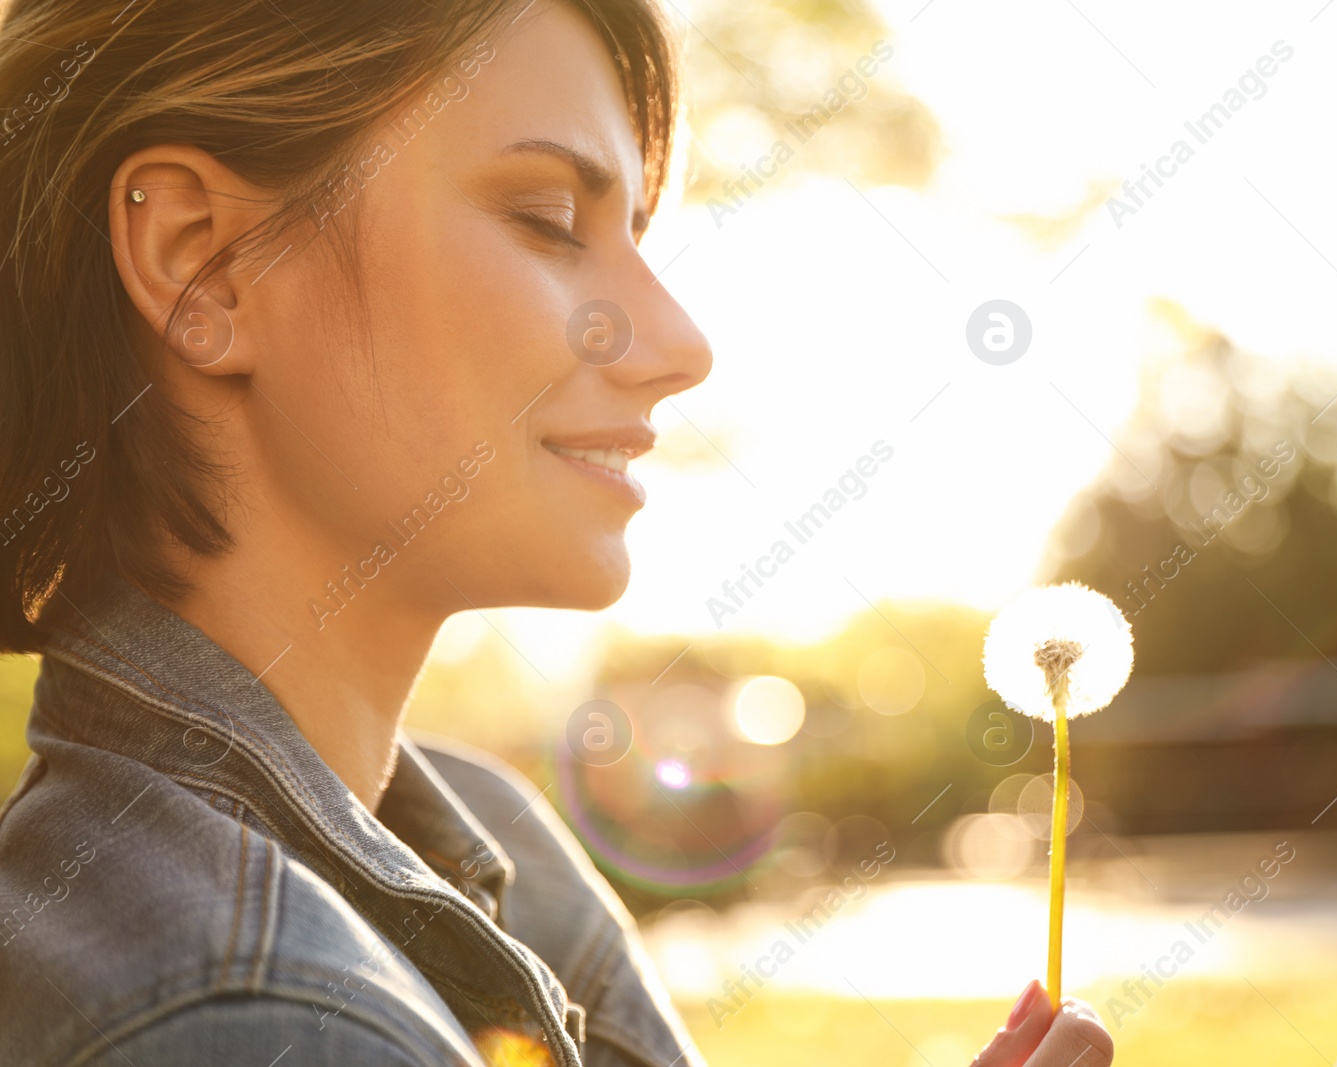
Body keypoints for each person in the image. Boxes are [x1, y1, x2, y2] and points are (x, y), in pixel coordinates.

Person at [0, 2, 1114, 1064]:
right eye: (547, 220)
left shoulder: (489, 837)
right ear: (203, 260)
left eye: (633, 232)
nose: (679, 342)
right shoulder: (249, 1018)